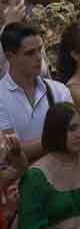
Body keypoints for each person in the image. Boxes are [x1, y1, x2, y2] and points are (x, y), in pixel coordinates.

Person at [0, 24, 71, 161]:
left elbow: (74, 135)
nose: (39, 57)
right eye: (30, 53)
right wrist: (57, 139)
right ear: (10, 57)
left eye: (40, 50)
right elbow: (8, 152)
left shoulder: (60, 90)